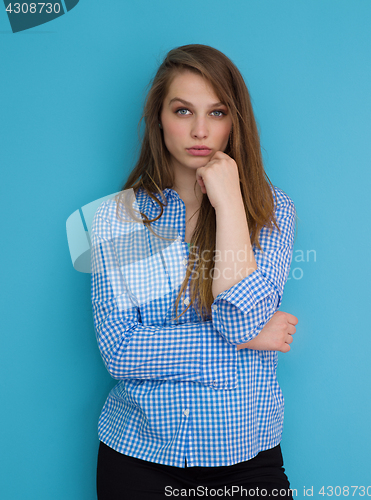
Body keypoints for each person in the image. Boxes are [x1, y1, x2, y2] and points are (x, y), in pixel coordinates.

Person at [91, 44, 298, 499]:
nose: (200, 130)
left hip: (246, 456)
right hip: (139, 453)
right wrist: (248, 341)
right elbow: (121, 351)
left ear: (234, 121)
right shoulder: (118, 219)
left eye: (217, 112)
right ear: (158, 118)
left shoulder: (270, 210)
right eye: (183, 110)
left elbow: (239, 317)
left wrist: (227, 203)